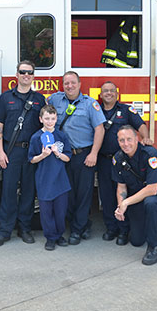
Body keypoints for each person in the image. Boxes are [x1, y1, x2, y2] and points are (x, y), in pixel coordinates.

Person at [47, 71, 105, 245]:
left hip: (84, 155)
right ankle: (80, 224)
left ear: (80, 84)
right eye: (66, 83)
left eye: (73, 83)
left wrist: (93, 153)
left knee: (84, 193)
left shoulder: (90, 104)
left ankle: (77, 230)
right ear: (62, 85)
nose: (69, 86)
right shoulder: (55, 100)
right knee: (67, 193)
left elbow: (100, 129)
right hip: (63, 155)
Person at [0, 61, 45, 247]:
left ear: (33, 75)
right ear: (17, 74)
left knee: (29, 192)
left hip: (31, 152)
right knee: (8, 192)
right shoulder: (5, 98)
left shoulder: (40, 99)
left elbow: (45, 127)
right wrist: (0, 152)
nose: (26, 75)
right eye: (23, 72)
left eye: (29, 72)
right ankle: (4, 231)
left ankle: (25, 229)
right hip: (10, 151)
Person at [97, 81, 152, 245]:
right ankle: (111, 228)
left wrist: (145, 138)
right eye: (105, 91)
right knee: (106, 196)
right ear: (100, 95)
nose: (108, 93)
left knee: (123, 194)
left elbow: (141, 125)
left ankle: (124, 230)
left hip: (123, 162)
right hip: (104, 160)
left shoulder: (126, 110)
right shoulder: (96, 109)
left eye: (112, 91)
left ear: (117, 93)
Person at [112, 125, 157, 265]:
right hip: (137, 194)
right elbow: (121, 186)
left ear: (137, 139)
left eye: (129, 139)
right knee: (137, 241)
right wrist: (120, 205)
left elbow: (152, 189)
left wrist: (126, 203)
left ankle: (154, 246)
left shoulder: (150, 154)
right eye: (122, 140)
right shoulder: (118, 158)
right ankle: (145, 226)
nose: (125, 144)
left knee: (151, 203)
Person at [29, 105, 72, 251]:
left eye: (53, 118)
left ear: (56, 119)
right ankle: (50, 237)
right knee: (46, 212)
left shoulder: (61, 136)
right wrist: (43, 155)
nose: (49, 121)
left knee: (60, 211)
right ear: (41, 119)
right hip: (44, 180)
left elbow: (68, 158)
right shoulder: (35, 137)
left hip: (61, 180)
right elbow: (31, 159)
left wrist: (57, 154)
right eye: (46, 118)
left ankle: (59, 235)